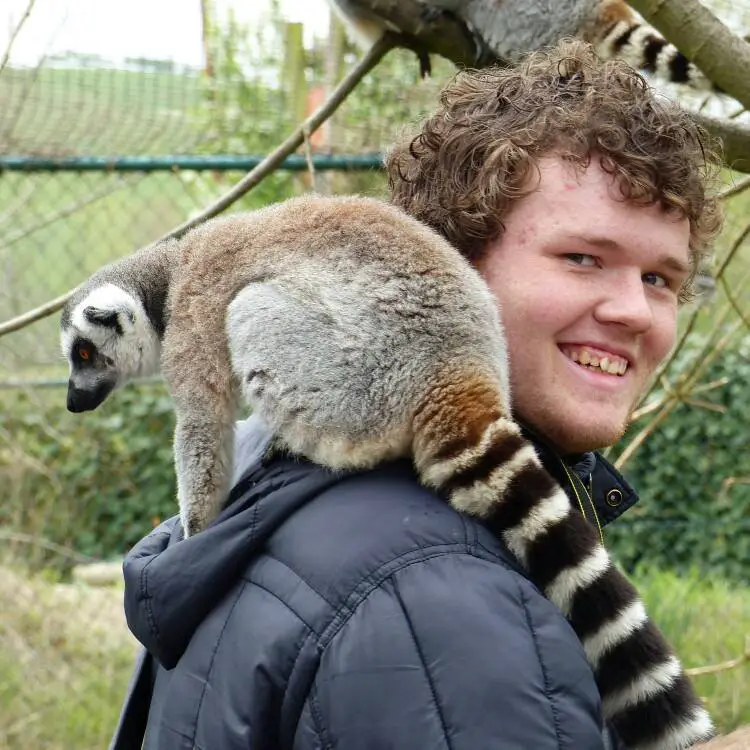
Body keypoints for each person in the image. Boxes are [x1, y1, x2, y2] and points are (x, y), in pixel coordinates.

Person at [110, 40, 723, 749]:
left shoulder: (288, 468)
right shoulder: (446, 602)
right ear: (445, 268)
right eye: (582, 258)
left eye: (660, 280)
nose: (635, 312)